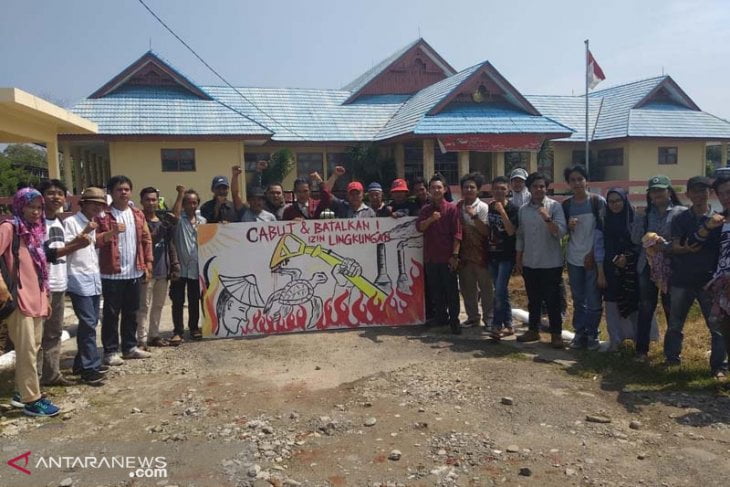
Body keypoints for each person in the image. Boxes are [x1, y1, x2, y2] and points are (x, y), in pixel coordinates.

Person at [0, 188, 61, 416]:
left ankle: (21, 391)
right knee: (26, 350)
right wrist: (3, 288)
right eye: (30, 206)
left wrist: (45, 296)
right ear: (19, 206)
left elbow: (39, 268)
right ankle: (31, 400)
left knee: (33, 347)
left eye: (38, 207)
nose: (35, 212)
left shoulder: (36, 230)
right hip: (18, 298)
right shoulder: (10, 227)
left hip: (36, 298)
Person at [664, 176, 727, 377]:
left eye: (703, 191)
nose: (699, 195)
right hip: (682, 278)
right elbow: (674, 246)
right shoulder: (681, 219)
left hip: (709, 282)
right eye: (695, 191)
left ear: (709, 194)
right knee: (675, 323)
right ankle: (671, 360)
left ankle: (719, 367)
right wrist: (685, 249)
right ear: (688, 194)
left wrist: (687, 246)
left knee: (716, 327)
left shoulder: (719, 220)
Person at [37, 179, 91, 386]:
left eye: (60, 193)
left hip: (59, 284)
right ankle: (33, 381)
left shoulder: (58, 221)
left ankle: (51, 375)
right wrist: (76, 245)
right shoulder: (36, 223)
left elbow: (62, 249)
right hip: (41, 287)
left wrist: (77, 242)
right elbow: (46, 254)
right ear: (41, 197)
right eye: (51, 193)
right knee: (37, 337)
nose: (56, 197)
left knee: (53, 333)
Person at [95, 175, 153, 365]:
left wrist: (148, 263)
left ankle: (129, 347)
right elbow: (95, 240)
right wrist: (110, 232)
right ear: (111, 193)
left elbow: (146, 239)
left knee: (132, 312)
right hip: (111, 273)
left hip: (134, 272)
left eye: (126, 189)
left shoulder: (137, 214)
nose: (123, 193)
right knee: (111, 314)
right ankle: (110, 351)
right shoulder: (103, 215)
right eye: (119, 189)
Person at [631, 175, 686, 361]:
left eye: (661, 190)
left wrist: (663, 244)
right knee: (646, 307)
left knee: (671, 308)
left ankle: (672, 353)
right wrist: (639, 221)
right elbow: (635, 239)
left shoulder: (680, 212)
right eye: (654, 190)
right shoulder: (645, 214)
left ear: (669, 191)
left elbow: (684, 240)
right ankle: (641, 350)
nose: (657, 194)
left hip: (672, 267)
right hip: (647, 266)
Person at [515, 172, 567, 348]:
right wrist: (519, 257)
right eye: (535, 186)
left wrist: (547, 218)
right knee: (533, 299)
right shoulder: (523, 210)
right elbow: (520, 236)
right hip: (530, 262)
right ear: (529, 189)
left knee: (553, 300)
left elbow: (560, 232)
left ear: (547, 188)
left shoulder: (554, 207)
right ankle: (533, 330)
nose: (539, 189)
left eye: (542, 186)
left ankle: (556, 334)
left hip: (551, 263)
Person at [65, 187, 109, 385]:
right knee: (89, 323)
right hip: (78, 278)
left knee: (90, 323)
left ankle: (81, 363)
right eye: (93, 203)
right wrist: (85, 233)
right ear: (83, 204)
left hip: (92, 277)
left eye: (100, 204)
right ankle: (90, 368)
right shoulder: (71, 223)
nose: (97, 207)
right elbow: (65, 249)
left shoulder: (93, 223)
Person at [561, 165, 606, 351]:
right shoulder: (566, 205)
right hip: (573, 258)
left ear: (586, 181)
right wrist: (567, 227)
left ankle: (593, 334)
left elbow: (604, 231)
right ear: (568, 183)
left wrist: (593, 254)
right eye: (573, 180)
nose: (577, 183)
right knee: (578, 298)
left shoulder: (597, 202)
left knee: (594, 298)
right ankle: (579, 333)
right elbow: (561, 232)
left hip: (594, 259)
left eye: (580, 179)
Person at [417, 174, 462, 334]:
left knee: (451, 291)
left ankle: (454, 320)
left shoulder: (452, 208)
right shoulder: (425, 210)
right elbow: (420, 227)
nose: (436, 190)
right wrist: (431, 219)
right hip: (431, 257)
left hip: (447, 257)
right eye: (433, 187)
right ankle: (441, 317)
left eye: (439, 187)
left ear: (445, 189)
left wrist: (455, 256)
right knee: (435, 290)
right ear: (429, 190)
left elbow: (457, 234)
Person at [596, 188, 640, 351]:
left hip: (631, 269)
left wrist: (627, 258)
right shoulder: (603, 220)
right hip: (610, 269)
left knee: (633, 303)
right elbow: (600, 246)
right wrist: (601, 271)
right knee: (612, 304)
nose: (615, 205)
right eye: (611, 201)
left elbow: (640, 243)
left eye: (618, 200)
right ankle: (615, 340)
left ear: (625, 201)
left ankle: (638, 340)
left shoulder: (635, 219)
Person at [136, 187, 180, 349]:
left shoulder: (162, 220)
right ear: (142, 201)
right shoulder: (139, 220)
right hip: (146, 271)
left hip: (163, 270)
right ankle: (141, 338)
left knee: (158, 306)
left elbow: (170, 244)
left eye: (154, 199)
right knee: (143, 306)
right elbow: (147, 241)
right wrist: (163, 228)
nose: (151, 203)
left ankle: (154, 335)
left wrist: (174, 265)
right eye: (148, 199)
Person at [701, 176, 730, 372]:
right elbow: (698, 243)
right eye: (722, 194)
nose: (726, 197)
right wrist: (707, 227)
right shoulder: (718, 221)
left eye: (729, 192)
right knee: (726, 332)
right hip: (723, 287)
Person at [171, 185, 206, 343]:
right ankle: (178, 331)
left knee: (194, 300)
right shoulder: (179, 220)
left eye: (194, 202)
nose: (191, 205)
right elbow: (174, 214)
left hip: (196, 267)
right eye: (188, 202)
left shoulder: (203, 221)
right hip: (179, 267)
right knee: (178, 301)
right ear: (184, 204)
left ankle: (193, 328)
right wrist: (180, 194)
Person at [457, 172, 492, 329]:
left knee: (486, 289)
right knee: (467, 288)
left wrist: (474, 217)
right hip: (464, 255)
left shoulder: (483, 207)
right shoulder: (457, 207)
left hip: (481, 255)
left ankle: (489, 318)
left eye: (472, 187)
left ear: (478, 190)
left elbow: (486, 232)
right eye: (466, 187)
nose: (468, 190)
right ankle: (472, 317)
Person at [486, 176, 519, 336]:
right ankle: (509, 324)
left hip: (506, 256)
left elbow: (511, 231)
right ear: (492, 190)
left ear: (508, 191)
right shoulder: (489, 207)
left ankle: (496, 325)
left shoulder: (513, 209)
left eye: (503, 189)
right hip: (492, 255)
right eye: (496, 188)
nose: (499, 191)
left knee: (498, 290)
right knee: (501, 291)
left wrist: (502, 211)